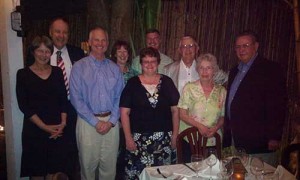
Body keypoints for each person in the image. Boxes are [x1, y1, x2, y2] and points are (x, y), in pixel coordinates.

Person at [223, 31, 286, 166]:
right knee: (239, 173)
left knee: (260, 174)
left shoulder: (270, 69)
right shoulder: (234, 71)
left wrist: (274, 137)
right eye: (238, 47)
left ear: (256, 46)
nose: (241, 49)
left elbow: (278, 105)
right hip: (236, 137)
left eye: (245, 45)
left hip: (259, 139)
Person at [69, 27, 124, 180]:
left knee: (109, 168)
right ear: (89, 42)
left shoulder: (114, 68)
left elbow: (120, 97)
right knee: (87, 168)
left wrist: (111, 121)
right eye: (96, 40)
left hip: (111, 124)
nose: (100, 43)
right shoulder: (79, 67)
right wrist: (95, 122)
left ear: (107, 43)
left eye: (103, 40)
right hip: (87, 122)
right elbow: (75, 98)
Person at [120, 47, 180, 179]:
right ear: (140, 64)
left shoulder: (167, 82)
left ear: (158, 63)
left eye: (153, 61)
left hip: (164, 140)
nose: (149, 64)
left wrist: (175, 135)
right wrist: (128, 138)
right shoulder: (132, 83)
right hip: (139, 141)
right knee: (139, 176)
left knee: (163, 175)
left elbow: (175, 111)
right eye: (146, 61)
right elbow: (124, 113)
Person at [16, 36, 69, 179]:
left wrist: (63, 123)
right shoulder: (23, 74)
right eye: (40, 51)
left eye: (47, 51)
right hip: (34, 130)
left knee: (55, 171)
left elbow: (63, 99)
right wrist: (44, 127)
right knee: (37, 173)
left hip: (57, 129)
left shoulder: (57, 72)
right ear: (33, 51)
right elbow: (24, 106)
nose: (44, 55)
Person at [48, 17, 85, 179]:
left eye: (65, 32)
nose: (61, 35)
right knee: (51, 152)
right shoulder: (41, 52)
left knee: (72, 150)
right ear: (50, 33)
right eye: (57, 31)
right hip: (50, 111)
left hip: (73, 108)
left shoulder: (77, 53)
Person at [177, 53, 226, 162]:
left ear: (214, 70)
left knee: (211, 174)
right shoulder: (189, 88)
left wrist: (215, 128)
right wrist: (200, 126)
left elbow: (222, 116)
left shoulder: (222, 91)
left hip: (212, 140)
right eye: (201, 68)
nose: (204, 72)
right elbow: (182, 115)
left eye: (208, 68)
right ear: (197, 70)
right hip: (190, 140)